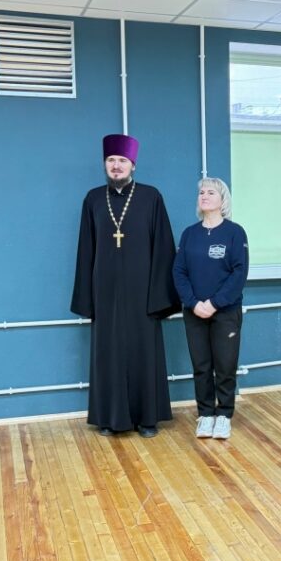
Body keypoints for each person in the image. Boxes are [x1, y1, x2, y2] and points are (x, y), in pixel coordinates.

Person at [71, 134, 180, 437]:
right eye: (111, 160)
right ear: (104, 164)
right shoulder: (93, 199)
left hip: (143, 292)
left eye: (122, 160)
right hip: (104, 292)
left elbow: (163, 247)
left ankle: (147, 419)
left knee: (144, 352)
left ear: (133, 164)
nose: (116, 165)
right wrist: (87, 298)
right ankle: (109, 418)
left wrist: (160, 296)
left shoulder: (151, 197)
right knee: (108, 353)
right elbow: (85, 250)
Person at [173, 178, 250, 440]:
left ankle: (224, 415)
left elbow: (239, 273)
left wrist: (214, 303)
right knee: (201, 365)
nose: (204, 196)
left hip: (225, 312)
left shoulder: (235, 232)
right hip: (194, 312)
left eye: (211, 192)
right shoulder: (189, 234)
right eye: (201, 192)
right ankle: (205, 414)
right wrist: (194, 303)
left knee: (225, 365)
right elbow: (179, 271)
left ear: (222, 200)